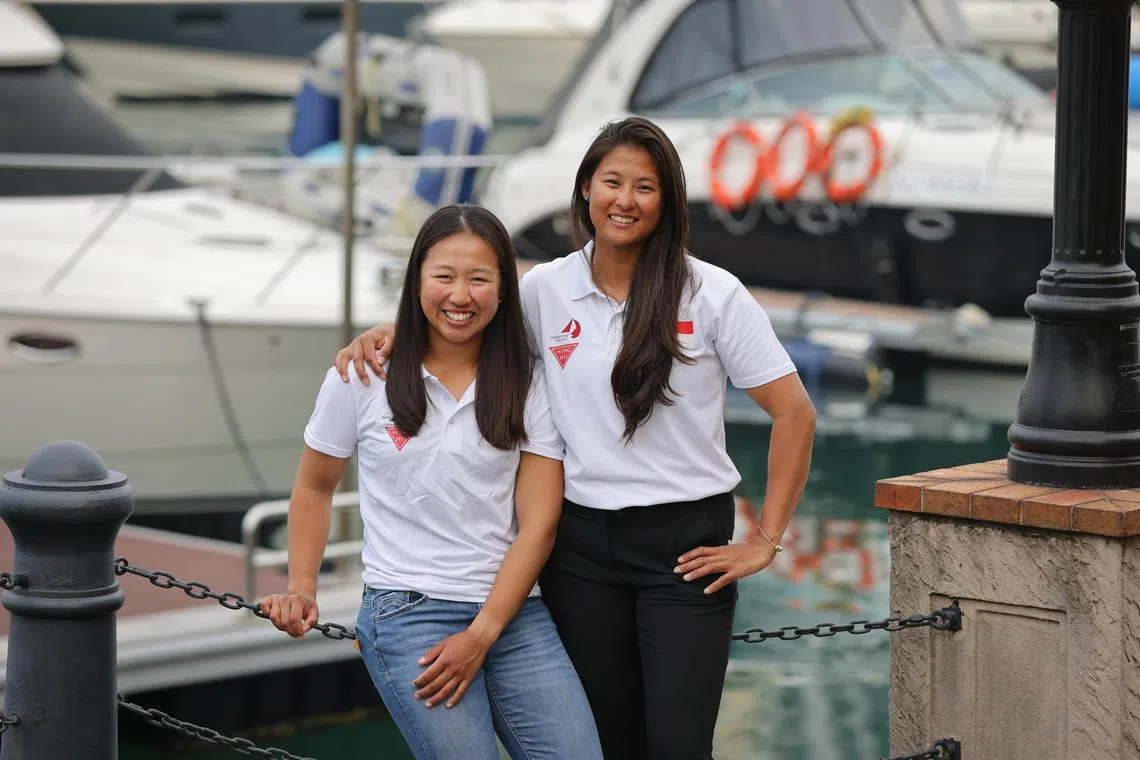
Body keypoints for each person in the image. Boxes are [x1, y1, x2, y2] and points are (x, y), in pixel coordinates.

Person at [333, 117, 817, 760]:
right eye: (611, 181)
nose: (626, 200)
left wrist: (763, 540)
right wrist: (386, 336)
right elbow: (461, 316)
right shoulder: (543, 290)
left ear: (667, 200)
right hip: (581, 548)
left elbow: (795, 414)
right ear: (585, 189)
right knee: (606, 743)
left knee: (677, 744)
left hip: (685, 547)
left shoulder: (712, 294)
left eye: (645, 187)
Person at [260, 204, 604, 760]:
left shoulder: (529, 383)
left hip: (512, 611)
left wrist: (483, 632)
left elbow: (539, 524)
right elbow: (315, 487)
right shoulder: (361, 376)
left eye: (479, 279)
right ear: (417, 277)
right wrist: (303, 587)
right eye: (443, 276)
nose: (460, 296)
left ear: (503, 288)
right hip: (407, 609)